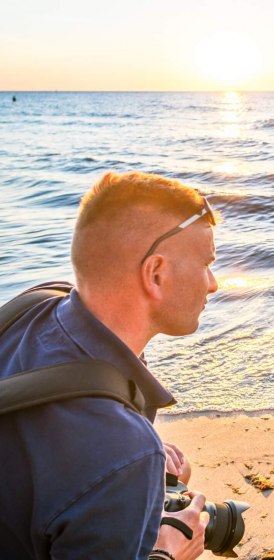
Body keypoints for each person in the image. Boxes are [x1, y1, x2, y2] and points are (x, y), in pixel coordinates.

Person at [0, 171, 220, 560]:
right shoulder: (125, 452)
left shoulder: (35, 305)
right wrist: (168, 553)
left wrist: (133, 461)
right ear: (155, 274)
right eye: (206, 263)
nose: (213, 283)